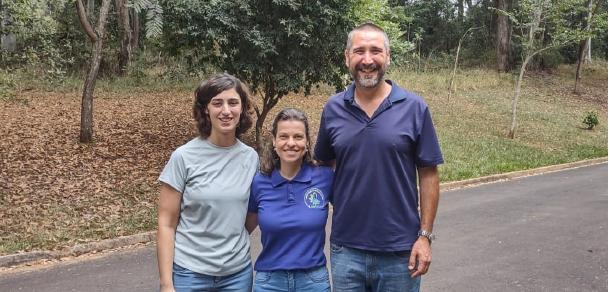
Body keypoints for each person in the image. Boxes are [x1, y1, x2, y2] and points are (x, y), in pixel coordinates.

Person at [314, 23, 444, 292]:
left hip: (400, 251)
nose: (367, 60)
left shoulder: (414, 107)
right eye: (359, 51)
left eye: (375, 51)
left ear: (388, 55)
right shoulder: (333, 108)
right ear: (347, 57)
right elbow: (326, 165)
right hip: (346, 249)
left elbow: (429, 173)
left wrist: (425, 237)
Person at [157, 73, 259, 292]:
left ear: (241, 108)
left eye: (233, 103)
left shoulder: (251, 158)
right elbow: (166, 223)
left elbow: (251, 213)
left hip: (237, 276)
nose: (226, 111)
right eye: (217, 103)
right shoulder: (183, 157)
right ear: (205, 109)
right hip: (189, 274)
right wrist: (166, 284)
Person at [246, 108, 333, 292]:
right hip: (269, 281)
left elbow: (351, 210)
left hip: (313, 280)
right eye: (284, 136)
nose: (291, 143)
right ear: (274, 141)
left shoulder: (325, 178)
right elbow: (243, 229)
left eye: (298, 137)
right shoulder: (259, 182)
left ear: (308, 142)